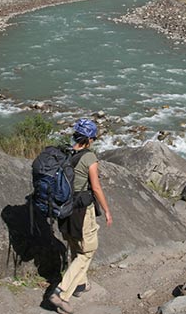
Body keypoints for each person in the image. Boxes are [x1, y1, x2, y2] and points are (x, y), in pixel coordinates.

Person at [48, 118, 112, 314]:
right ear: (91, 139)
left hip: (63, 208)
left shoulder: (64, 152)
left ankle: (81, 284)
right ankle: (61, 292)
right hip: (82, 210)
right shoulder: (89, 158)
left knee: (75, 245)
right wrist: (107, 211)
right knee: (87, 252)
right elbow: (96, 187)